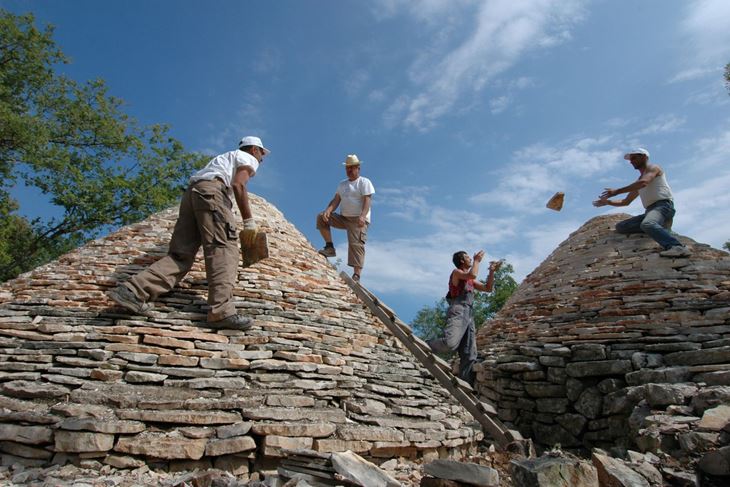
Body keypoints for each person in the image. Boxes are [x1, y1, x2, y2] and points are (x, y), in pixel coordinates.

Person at [107, 136, 270, 329]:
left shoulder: (222, 159)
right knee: (224, 249)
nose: (262, 159)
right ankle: (222, 312)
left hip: (192, 194)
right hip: (213, 194)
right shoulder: (247, 158)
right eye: (261, 153)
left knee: (180, 254)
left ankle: (133, 292)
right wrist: (248, 221)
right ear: (254, 150)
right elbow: (238, 185)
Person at [593, 147, 691, 258]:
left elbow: (644, 183)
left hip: (663, 206)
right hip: (650, 210)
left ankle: (677, 246)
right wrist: (608, 202)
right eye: (630, 159)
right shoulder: (638, 181)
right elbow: (626, 201)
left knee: (647, 224)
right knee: (621, 226)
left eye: (634, 158)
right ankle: (660, 228)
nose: (631, 162)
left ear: (644, 157)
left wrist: (617, 191)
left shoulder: (653, 168)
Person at [428, 251, 501, 387]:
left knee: (469, 353)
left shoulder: (470, 281)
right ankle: (428, 345)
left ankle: (465, 385)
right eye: (467, 257)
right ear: (461, 260)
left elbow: (488, 288)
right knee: (450, 343)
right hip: (458, 309)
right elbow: (472, 274)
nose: (470, 259)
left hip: (469, 314)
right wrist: (477, 261)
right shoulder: (456, 273)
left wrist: (491, 272)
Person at [316, 154, 375, 281]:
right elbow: (336, 200)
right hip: (344, 217)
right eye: (347, 168)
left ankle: (357, 274)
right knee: (321, 217)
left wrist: (363, 216)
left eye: (352, 168)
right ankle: (330, 247)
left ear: (358, 168)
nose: (349, 170)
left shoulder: (364, 182)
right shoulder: (342, 184)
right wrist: (328, 210)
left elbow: (367, 200)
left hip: (358, 219)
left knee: (356, 244)